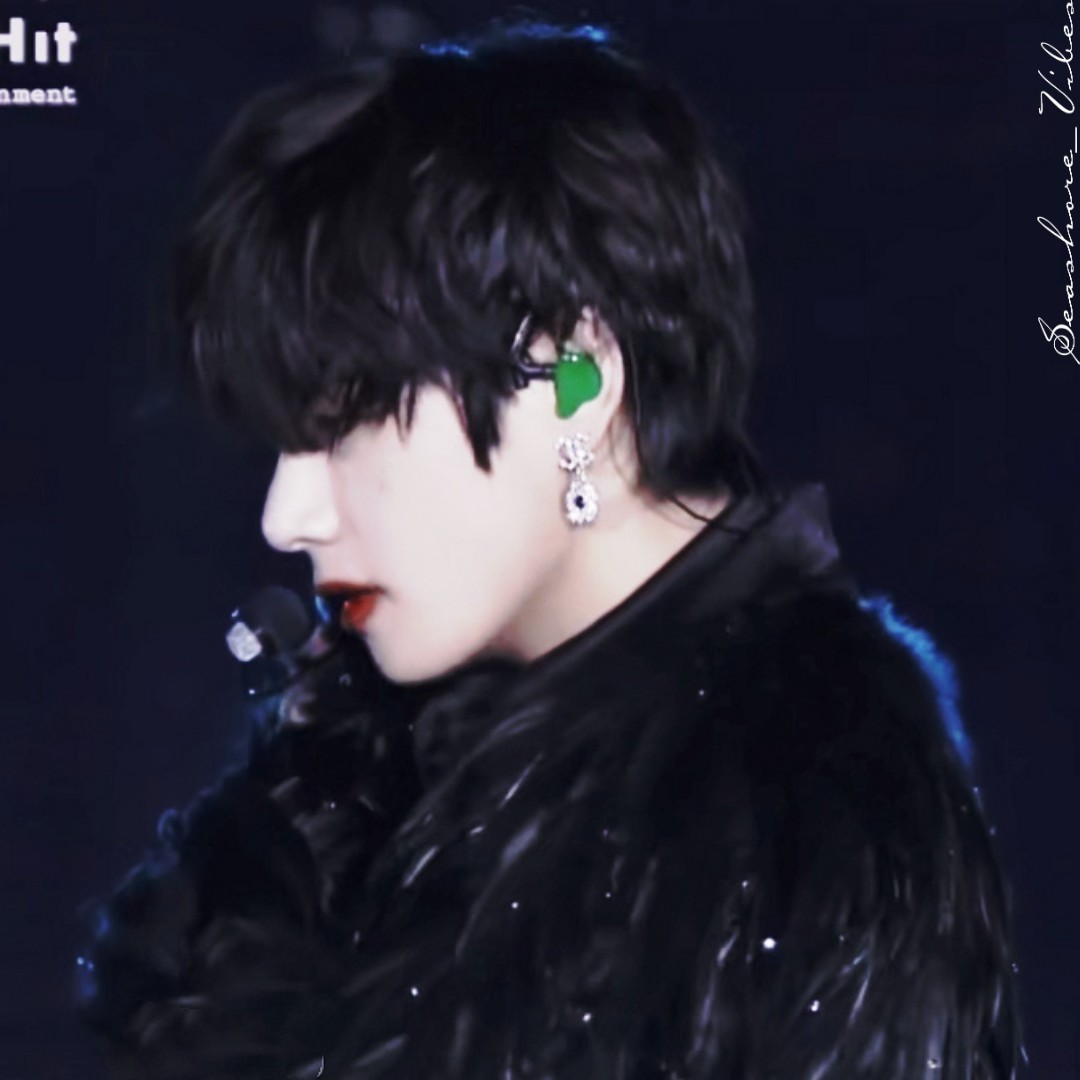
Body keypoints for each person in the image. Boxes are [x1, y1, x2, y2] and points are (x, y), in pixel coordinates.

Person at [74, 18, 1023, 1079]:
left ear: (573, 379)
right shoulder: (354, 771)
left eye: (342, 424)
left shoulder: (813, 818)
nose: (287, 515)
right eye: (283, 439)